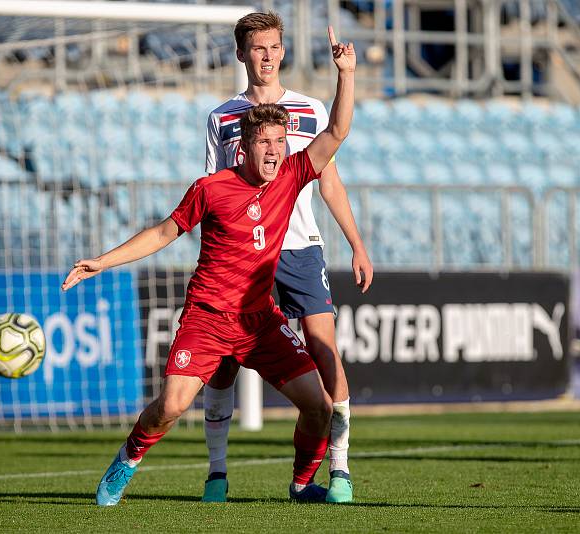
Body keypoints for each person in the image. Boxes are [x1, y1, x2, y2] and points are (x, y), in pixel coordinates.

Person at [62, 26, 355, 506]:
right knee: (170, 407)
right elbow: (163, 232)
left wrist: (346, 76)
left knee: (319, 407)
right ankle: (127, 459)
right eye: (265, 143)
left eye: (281, 142)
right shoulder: (212, 187)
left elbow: (337, 132)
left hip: (260, 322)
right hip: (208, 319)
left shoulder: (291, 176)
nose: (276, 151)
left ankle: (303, 485)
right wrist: (103, 261)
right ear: (244, 146)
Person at [201, 12, 373, 504]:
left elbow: (329, 179)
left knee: (325, 351)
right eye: (258, 48)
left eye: (275, 46)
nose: (268, 55)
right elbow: (215, 193)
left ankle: (338, 468)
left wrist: (357, 243)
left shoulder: (310, 108)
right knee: (226, 362)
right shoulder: (222, 117)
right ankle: (217, 473)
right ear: (242, 54)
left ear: (283, 50)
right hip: (245, 257)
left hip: (299, 247)